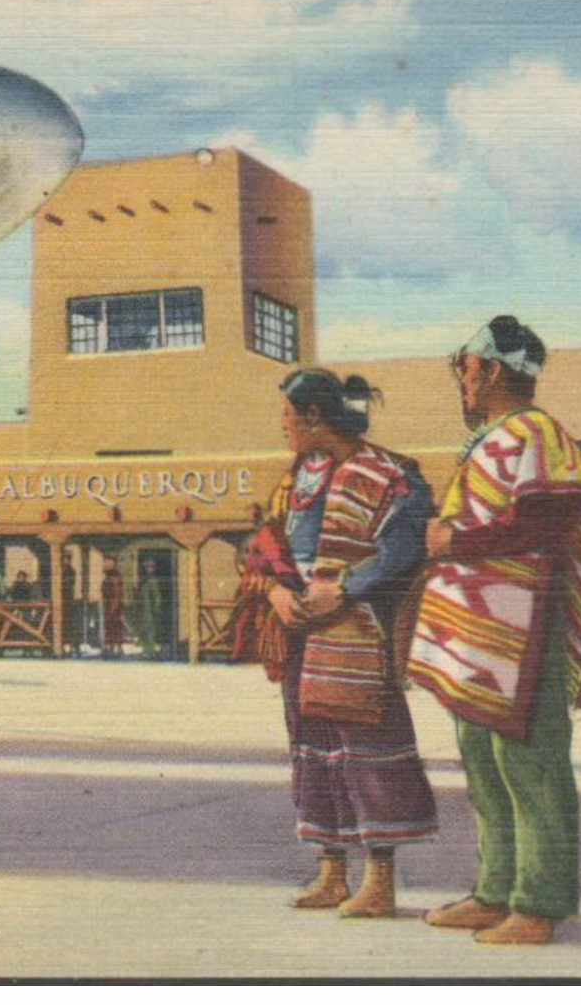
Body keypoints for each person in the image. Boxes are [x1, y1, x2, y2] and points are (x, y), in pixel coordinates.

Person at [406, 316, 581, 946]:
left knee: (530, 764)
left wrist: (458, 540)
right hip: (482, 636)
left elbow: (548, 524)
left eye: (466, 370)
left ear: (492, 370)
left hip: (527, 631)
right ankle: (495, 890)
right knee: (483, 760)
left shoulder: (536, 432)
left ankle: (539, 903)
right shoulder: (497, 436)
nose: (463, 383)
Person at [231, 368, 439, 919]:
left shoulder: (395, 475)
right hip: (302, 630)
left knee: (368, 754)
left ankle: (380, 881)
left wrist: (344, 590)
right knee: (312, 749)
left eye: (287, 419)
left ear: (315, 417)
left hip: (359, 632)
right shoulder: (299, 477)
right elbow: (263, 543)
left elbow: (402, 551)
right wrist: (275, 591)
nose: (284, 430)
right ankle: (332, 871)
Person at [136, 559, 167, 661]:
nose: (149, 569)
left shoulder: (153, 580)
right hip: (144, 610)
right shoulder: (145, 580)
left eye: (151, 567)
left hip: (151, 611)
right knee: (145, 630)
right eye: (147, 567)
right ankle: (147, 650)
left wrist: (156, 610)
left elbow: (157, 597)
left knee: (151, 631)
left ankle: (151, 651)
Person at [99, 556, 126, 659]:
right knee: (111, 628)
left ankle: (115, 649)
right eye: (105, 563)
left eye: (108, 563)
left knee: (114, 628)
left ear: (113, 564)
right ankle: (112, 648)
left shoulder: (114, 577)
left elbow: (116, 594)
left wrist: (113, 608)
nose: (105, 565)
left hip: (114, 607)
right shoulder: (108, 576)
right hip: (109, 606)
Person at [60, 558, 82, 657]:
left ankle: (74, 647)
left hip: (69, 601)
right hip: (62, 602)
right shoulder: (60, 570)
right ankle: (65, 646)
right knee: (64, 626)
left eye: (67, 559)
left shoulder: (71, 572)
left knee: (72, 625)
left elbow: (68, 585)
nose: (65, 561)